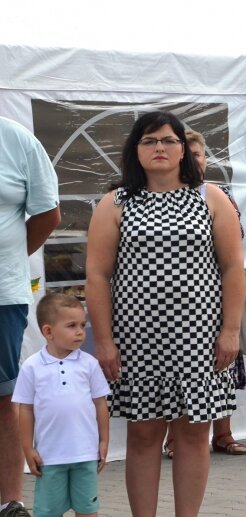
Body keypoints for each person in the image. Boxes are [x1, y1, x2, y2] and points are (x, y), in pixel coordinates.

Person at [85, 111, 245, 517]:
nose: (159, 148)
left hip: (200, 338)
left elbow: (231, 268)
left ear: (182, 150)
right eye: (149, 140)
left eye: (168, 141)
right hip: (137, 340)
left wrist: (230, 331)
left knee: (194, 435)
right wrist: (103, 341)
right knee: (143, 435)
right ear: (135, 151)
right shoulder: (114, 202)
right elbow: (98, 276)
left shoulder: (212, 198)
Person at [160, 130, 246, 458]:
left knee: (220, 366)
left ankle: (223, 434)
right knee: (174, 375)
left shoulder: (219, 194)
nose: (194, 160)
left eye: (199, 155)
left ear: (205, 159)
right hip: (174, 303)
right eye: (189, 154)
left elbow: (235, 242)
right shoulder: (159, 193)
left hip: (216, 295)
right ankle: (174, 438)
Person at [0, 115, 60, 517]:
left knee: (3, 397)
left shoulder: (16, 139)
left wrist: (9, 261)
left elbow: (47, 214)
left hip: (2, 294)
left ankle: (9, 500)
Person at [12, 293, 110, 517]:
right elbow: (25, 410)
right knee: (47, 511)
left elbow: (100, 404)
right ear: (48, 331)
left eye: (82, 325)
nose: (80, 332)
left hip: (85, 453)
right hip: (49, 456)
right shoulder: (32, 367)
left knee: (87, 509)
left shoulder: (90, 364)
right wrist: (28, 448)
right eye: (71, 325)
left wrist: (104, 440)